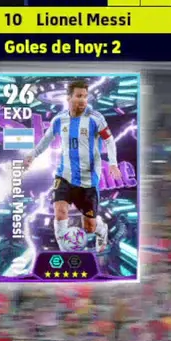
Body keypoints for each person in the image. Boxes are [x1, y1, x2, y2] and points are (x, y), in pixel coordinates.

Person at [24, 79, 121, 257]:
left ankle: (101, 230)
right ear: (69, 98)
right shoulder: (59, 120)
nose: (82, 100)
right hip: (64, 176)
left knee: (89, 226)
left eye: (85, 96)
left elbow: (109, 140)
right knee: (60, 212)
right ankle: (65, 251)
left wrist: (113, 163)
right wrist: (32, 155)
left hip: (87, 180)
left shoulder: (96, 118)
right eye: (78, 96)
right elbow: (45, 141)